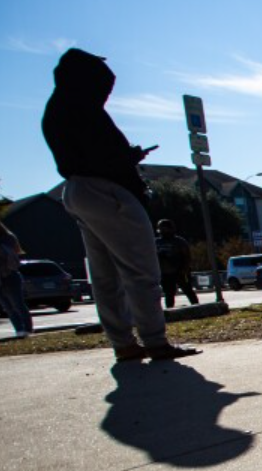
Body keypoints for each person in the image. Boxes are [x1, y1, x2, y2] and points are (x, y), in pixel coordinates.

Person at [41, 48, 198, 361]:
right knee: (140, 268)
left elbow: (81, 155)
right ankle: (155, 340)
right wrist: (129, 157)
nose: (107, 93)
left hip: (76, 190)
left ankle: (123, 342)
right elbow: (101, 156)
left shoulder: (57, 108)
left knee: (105, 275)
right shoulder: (83, 109)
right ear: (88, 80)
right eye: (104, 87)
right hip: (107, 191)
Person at [0, 223, 33, 339]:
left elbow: (11, 258)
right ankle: (19, 330)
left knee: (18, 304)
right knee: (7, 307)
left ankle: (27, 329)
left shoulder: (8, 238)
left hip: (10, 275)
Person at [155, 219, 198, 308]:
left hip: (180, 272)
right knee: (169, 294)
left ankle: (197, 307)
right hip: (165, 273)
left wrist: (184, 269)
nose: (162, 231)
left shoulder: (179, 242)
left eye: (164, 228)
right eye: (160, 229)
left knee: (188, 291)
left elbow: (187, 257)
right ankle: (170, 311)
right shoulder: (156, 242)